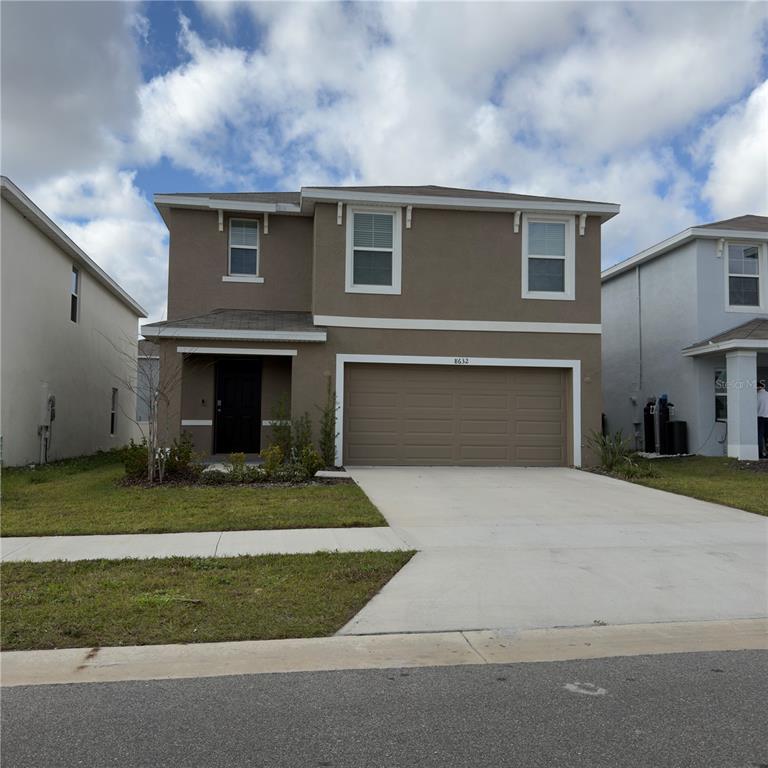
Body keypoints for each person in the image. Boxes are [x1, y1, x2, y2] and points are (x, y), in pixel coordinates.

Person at [758, 381, 768, 460]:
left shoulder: (756, 396)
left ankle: (760, 454)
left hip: (760, 418)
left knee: (759, 437)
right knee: (767, 437)